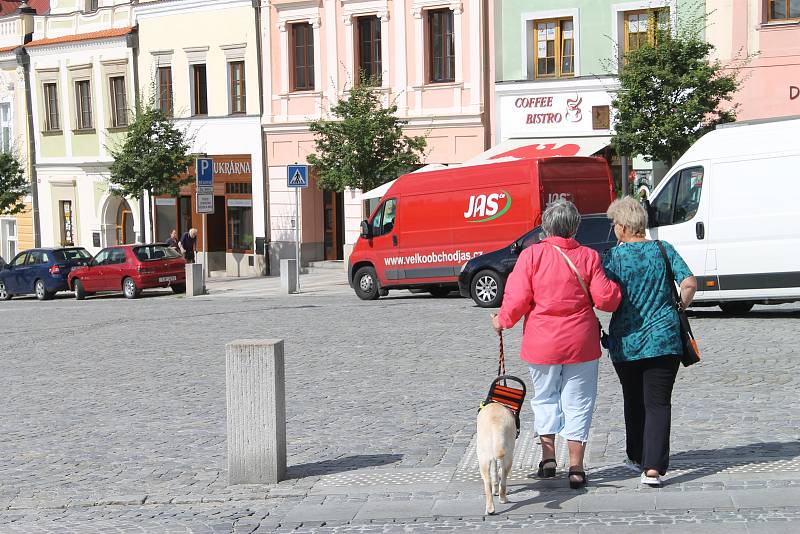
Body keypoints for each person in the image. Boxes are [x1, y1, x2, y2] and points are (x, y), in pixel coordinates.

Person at [491, 199, 621, 489]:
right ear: (575, 227)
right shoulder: (588, 256)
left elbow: (517, 298)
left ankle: (548, 460)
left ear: (545, 227)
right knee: (579, 402)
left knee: (545, 398)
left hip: (542, 342)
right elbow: (606, 300)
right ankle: (576, 467)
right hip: (581, 342)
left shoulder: (531, 256)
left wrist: (502, 320)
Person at [602, 197, 698, 487]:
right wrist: (679, 307)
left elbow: (604, 295)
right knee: (658, 402)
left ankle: (636, 455)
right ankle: (652, 468)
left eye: (613, 224)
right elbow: (690, 283)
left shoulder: (612, 258)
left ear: (622, 227)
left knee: (633, 399)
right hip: (665, 338)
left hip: (626, 342)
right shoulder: (663, 248)